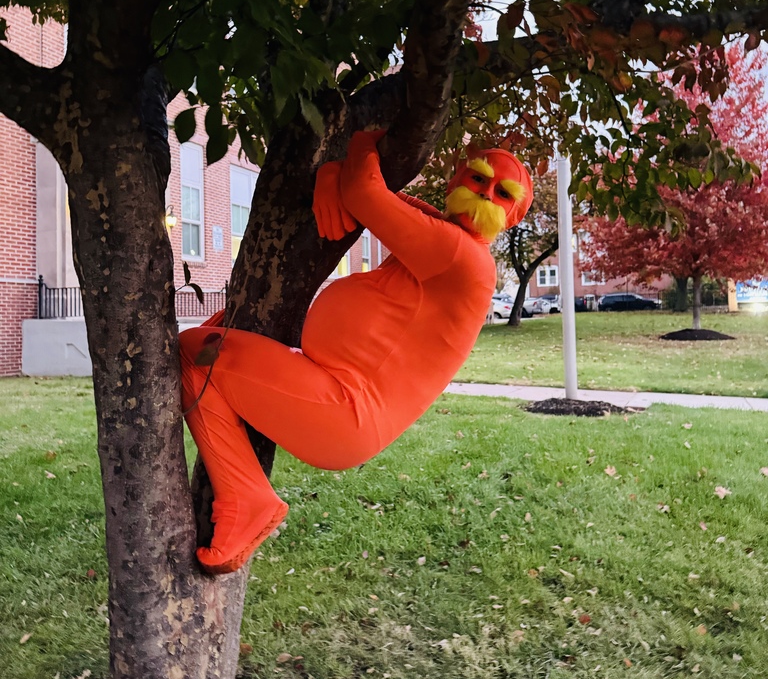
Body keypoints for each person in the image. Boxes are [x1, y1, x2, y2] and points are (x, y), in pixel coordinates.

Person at [179, 130, 533, 574]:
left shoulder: (461, 256)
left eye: (502, 193)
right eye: (479, 179)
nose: (485, 193)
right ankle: (245, 495)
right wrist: (331, 173)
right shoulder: (446, 239)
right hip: (330, 392)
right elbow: (378, 198)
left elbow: (366, 193)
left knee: (193, 353)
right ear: (456, 180)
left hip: (343, 409)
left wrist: (362, 140)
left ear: (512, 217)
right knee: (199, 352)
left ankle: (244, 499)